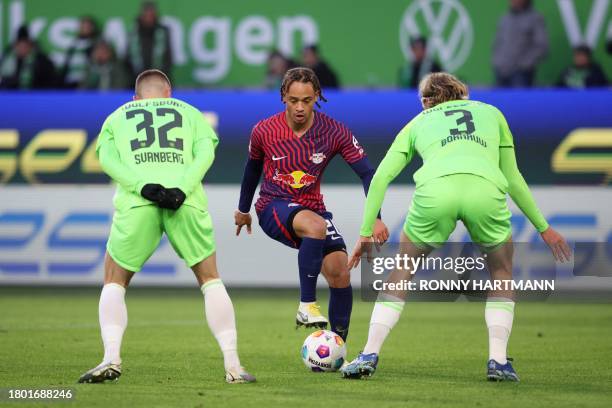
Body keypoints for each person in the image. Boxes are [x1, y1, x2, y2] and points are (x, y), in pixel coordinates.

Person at [340, 72, 571, 381]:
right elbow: (513, 178)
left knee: (402, 271)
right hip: (484, 192)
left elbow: (380, 177)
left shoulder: (417, 122)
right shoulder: (492, 113)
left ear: (425, 101)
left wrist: (366, 231)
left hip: (437, 194)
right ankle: (498, 362)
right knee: (501, 273)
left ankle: (369, 353)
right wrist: (544, 227)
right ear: (463, 94)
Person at [78, 69, 255, 384]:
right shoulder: (189, 112)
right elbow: (205, 152)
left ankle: (111, 358)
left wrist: (143, 185)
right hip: (183, 201)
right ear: (169, 95)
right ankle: (234, 366)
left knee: (114, 281)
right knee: (210, 279)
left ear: (136, 98)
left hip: (138, 202)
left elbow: (107, 159)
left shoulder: (117, 116)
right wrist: (182, 188)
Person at [235, 67, 388, 341]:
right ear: (283, 96)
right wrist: (243, 209)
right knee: (316, 226)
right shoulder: (264, 130)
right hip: (272, 205)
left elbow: (368, 174)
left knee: (340, 272)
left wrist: (376, 216)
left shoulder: (333, 131)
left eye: (306, 100)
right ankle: (307, 305)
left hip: (312, 208)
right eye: (294, 100)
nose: (300, 107)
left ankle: (337, 347)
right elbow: (251, 170)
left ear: (316, 95)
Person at [492, 0, 548, 87]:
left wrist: (524, 65)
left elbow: (542, 46)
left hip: (521, 74)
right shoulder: (505, 18)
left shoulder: (535, 18)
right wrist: (497, 61)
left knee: (519, 100)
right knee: (500, 100)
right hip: (501, 71)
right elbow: (498, 42)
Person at [126, 2, 172, 81]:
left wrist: (158, 75)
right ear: (142, 16)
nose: (149, 18)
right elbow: (128, 57)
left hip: (159, 79)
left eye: (151, 15)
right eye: (146, 15)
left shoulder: (163, 32)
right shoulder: (133, 33)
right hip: (136, 79)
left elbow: (168, 57)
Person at [0, 25, 56, 89]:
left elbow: (48, 80)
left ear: (30, 46)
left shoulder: (41, 61)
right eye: (19, 46)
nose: (22, 49)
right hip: (11, 95)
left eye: (25, 46)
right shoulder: (7, 59)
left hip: (36, 95)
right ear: (15, 46)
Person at [60, 16, 99, 88]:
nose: (85, 29)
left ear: (92, 28)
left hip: (86, 82)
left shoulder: (96, 43)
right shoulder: (73, 44)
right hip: (70, 81)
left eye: (87, 27)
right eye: (83, 26)